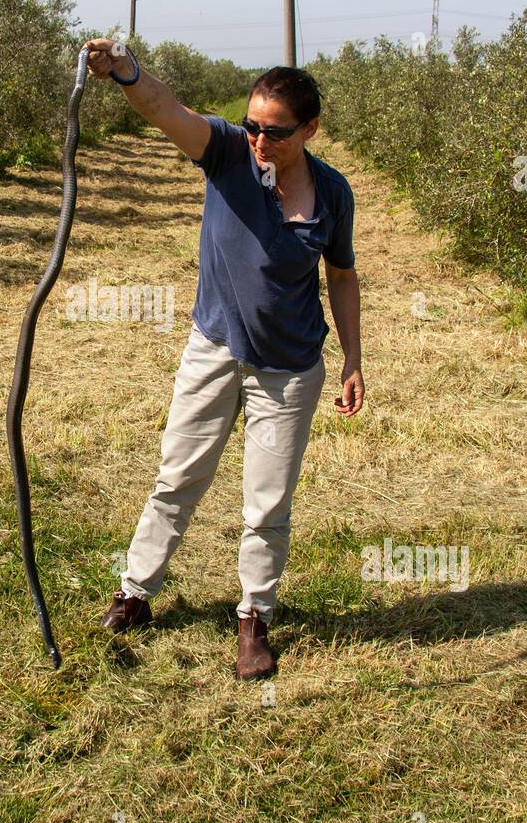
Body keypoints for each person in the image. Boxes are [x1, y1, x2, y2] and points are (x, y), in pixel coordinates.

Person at [84, 39, 364, 679]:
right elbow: (163, 108)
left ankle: (253, 619)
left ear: (310, 129)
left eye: (276, 132)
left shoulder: (332, 194)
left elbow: (342, 277)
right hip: (214, 351)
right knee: (177, 477)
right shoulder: (228, 155)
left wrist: (353, 358)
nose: (260, 141)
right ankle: (135, 594)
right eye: (252, 126)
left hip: (289, 369)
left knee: (267, 503)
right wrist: (125, 69)